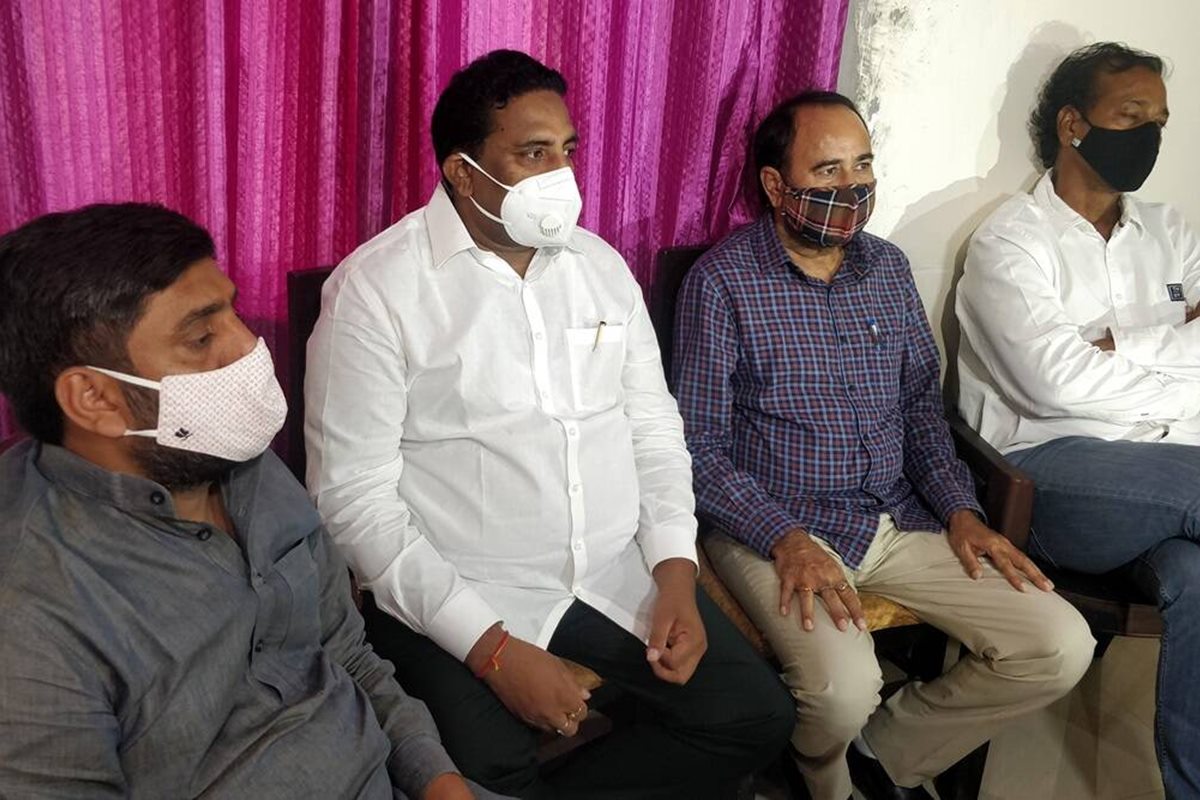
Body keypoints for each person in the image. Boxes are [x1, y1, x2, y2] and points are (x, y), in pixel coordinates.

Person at [303, 49, 794, 799]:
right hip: (462, 588)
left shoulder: (599, 267)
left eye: (567, 150)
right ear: (463, 173)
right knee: (487, 766)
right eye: (533, 154)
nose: (561, 174)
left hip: (613, 572)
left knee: (753, 715)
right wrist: (493, 651)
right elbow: (352, 501)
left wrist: (674, 572)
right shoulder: (375, 292)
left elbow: (653, 428)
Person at [672, 91, 1095, 800]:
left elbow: (921, 410)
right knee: (842, 690)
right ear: (775, 184)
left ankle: (881, 756)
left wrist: (961, 510)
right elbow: (698, 448)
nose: (852, 188)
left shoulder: (888, 270)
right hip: (778, 526)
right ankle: (822, 778)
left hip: (898, 516)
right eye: (827, 171)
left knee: (1059, 644)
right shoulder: (721, 283)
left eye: (862, 166)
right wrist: (785, 538)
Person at [0, 203, 497, 800]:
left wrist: (439, 781)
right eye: (201, 337)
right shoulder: (31, 609)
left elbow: (348, 653)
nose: (247, 346)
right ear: (96, 399)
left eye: (233, 312)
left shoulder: (237, 461)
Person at [956, 42, 1199, 798]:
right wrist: (1180, 373)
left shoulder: (1172, 232)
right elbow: (1052, 385)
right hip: (1052, 478)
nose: (1149, 136)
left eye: (1159, 122)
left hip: (1171, 473)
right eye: (1132, 116)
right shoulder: (1011, 241)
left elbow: (1082, 374)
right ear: (1073, 124)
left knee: (1197, 578)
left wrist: (1120, 345)